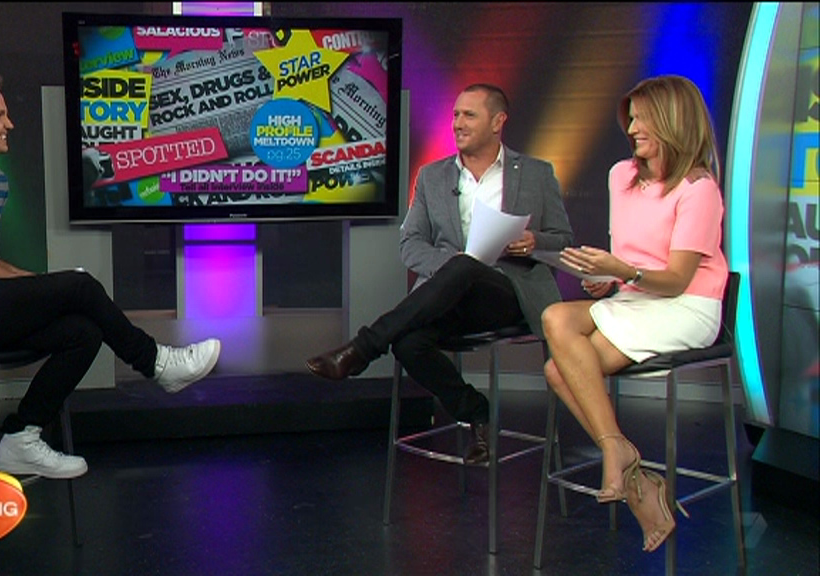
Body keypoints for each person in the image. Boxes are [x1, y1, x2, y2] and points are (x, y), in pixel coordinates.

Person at [0, 67, 221, 479]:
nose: (10, 124)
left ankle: (21, 436)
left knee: (83, 331)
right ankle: (156, 362)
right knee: (78, 287)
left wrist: (41, 288)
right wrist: (47, 289)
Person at [306, 83, 574, 464]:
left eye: (469, 115)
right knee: (408, 341)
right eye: (455, 115)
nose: (457, 123)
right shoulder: (432, 177)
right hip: (451, 298)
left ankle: (363, 348)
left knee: (464, 267)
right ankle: (476, 412)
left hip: (510, 294)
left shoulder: (536, 173)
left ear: (498, 121)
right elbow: (410, 244)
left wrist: (534, 241)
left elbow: (563, 239)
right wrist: (450, 267)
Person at [540, 75, 729, 553]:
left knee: (558, 368)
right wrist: (605, 277)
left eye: (642, 118)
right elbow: (627, 261)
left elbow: (677, 279)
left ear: (672, 121)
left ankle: (627, 468)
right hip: (634, 301)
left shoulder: (698, 189)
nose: (632, 128)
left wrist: (622, 271)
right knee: (556, 320)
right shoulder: (620, 176)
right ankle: (624, 458)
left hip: (686, 306)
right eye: (632, 118)